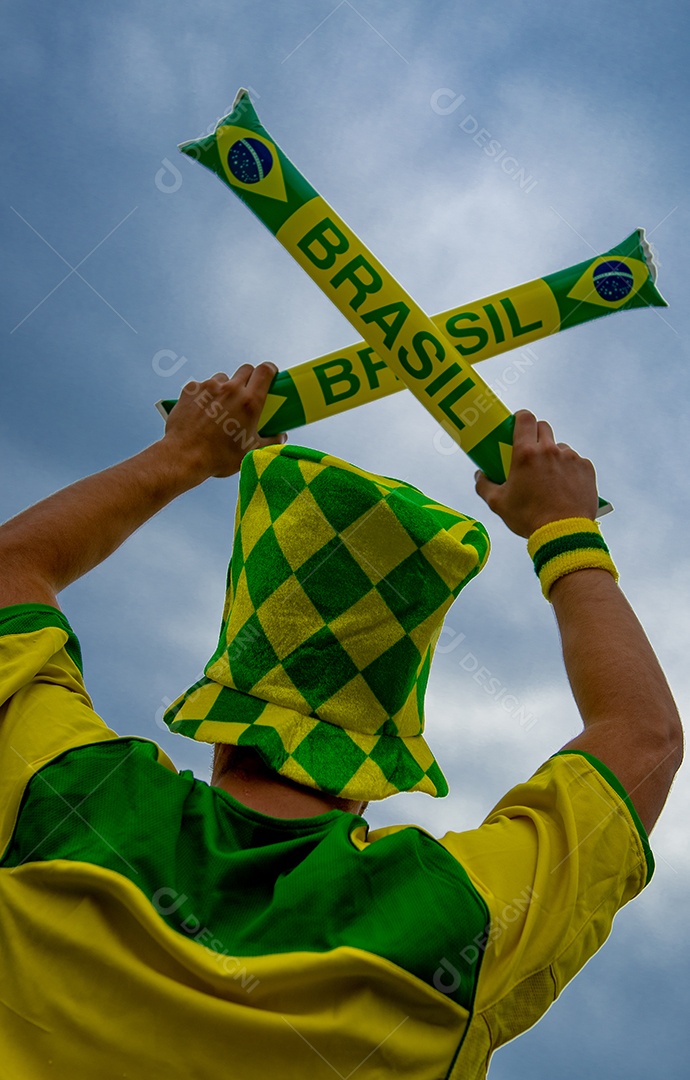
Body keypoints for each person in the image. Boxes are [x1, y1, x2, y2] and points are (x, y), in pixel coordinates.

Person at [0, 363, 682, 1079]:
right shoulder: (452, 922)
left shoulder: (67, 797)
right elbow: (645, 737)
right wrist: (564, 529)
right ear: (374, 766)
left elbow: (13, 570)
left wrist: (184, 454)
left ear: (225, 726)